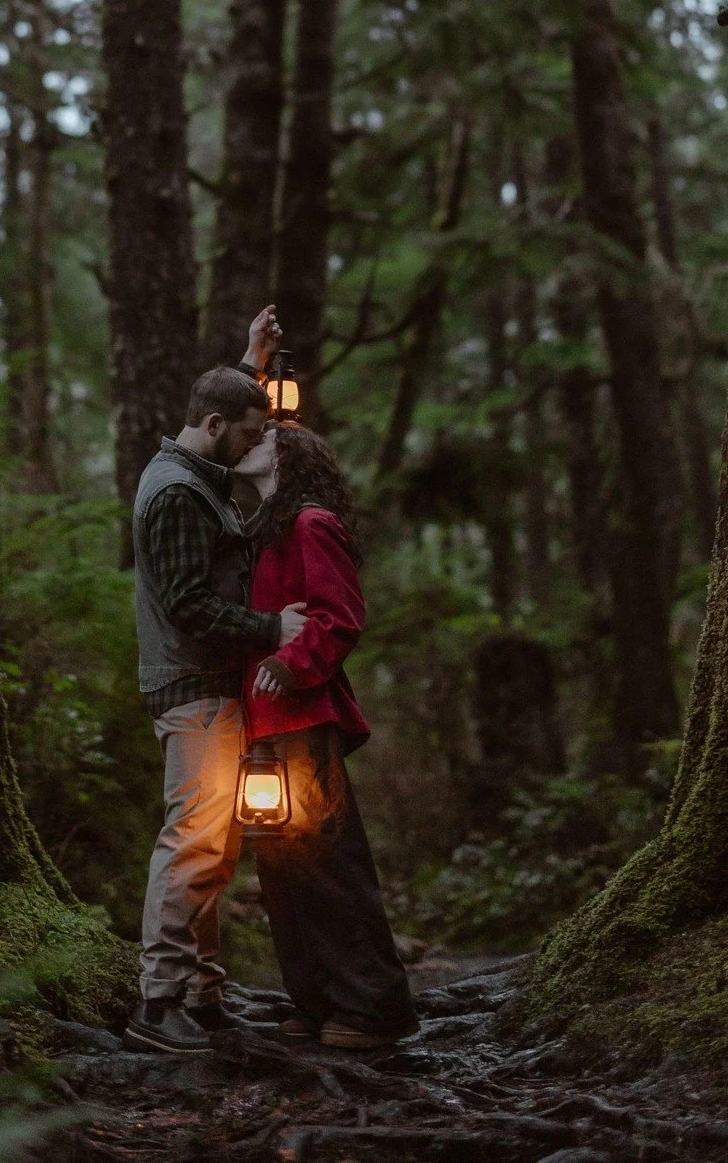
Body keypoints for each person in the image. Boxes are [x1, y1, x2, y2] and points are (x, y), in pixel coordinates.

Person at [123, 309, 309, 1056]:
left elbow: (225, 402)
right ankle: (158, 1002)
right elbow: (188, 604)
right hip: (191, 691)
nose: (260, 442)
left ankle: (200, 996)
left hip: (208, 690)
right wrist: (274, 630)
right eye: (248, 431)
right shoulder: (175, 493)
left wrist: (252, 363)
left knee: (214, 847)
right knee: (193, 843)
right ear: (211, 424)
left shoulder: (197, 467)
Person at [234, 423, 419, 1050]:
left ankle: (374, 1007)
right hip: (266, 724)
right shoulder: (266, 527)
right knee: (282, 870)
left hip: (304, 717)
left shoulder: (311, 522)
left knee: (328, 864)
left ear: (287, 456)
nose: (249, 440)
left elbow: (340, 617)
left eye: (263, 436)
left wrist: (291, 664)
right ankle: (315, 1002)